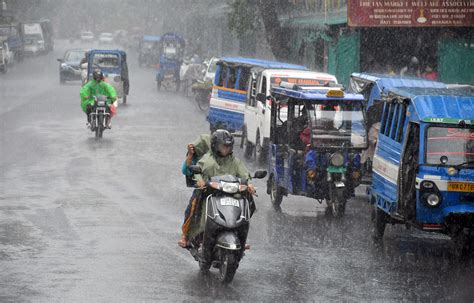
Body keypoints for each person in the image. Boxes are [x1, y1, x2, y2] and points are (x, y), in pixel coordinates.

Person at [178, 130, 255, 248]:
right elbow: (194, 170)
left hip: (230, 193)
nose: (226, 149)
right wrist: (200, 180)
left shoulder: (234, 161)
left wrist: (249, 185)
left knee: (247, 203)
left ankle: (241, 236)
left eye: (228, 146)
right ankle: (185, 234)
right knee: (194, 204)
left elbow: (244, 174)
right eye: (223, 146)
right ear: (215, 145)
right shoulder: (207, 160)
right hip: (210, 192)